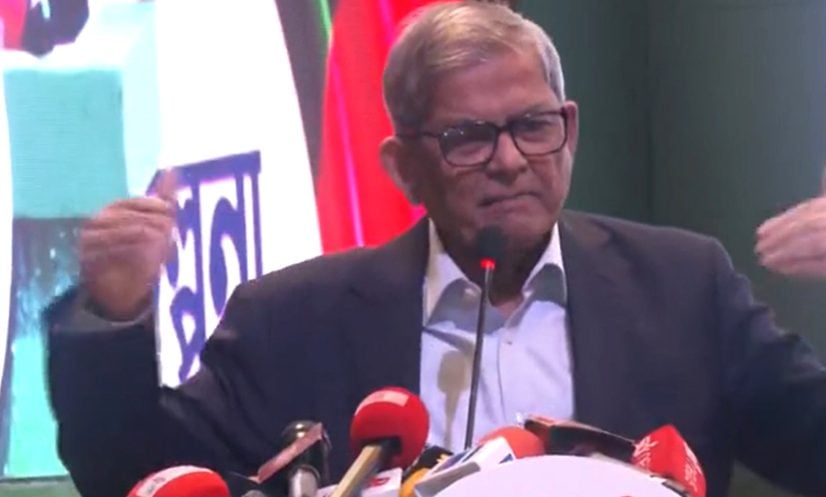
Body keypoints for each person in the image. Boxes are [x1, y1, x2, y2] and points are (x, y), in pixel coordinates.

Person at [46, 3, 826, 497]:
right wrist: (113, 313)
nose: (511, 160)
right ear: (403, 167)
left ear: (570, 130)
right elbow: (134, 474)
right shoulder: (294, 319)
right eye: (468, 137)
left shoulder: (684, 287)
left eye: (534, 125)